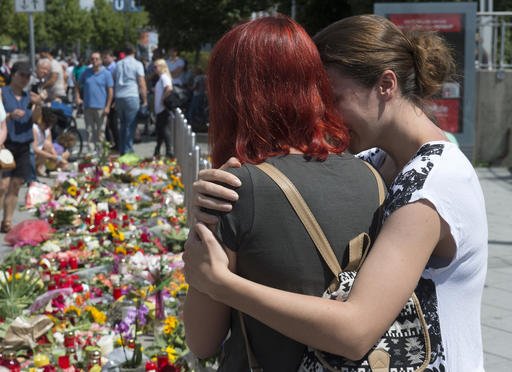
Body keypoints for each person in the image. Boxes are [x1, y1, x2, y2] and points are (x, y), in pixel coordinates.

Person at [184, 14, 488, 371]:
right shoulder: (374, 165)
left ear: (386, 86)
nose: (327, 114)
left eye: (335, 97)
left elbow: (355, 329)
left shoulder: (433, 184)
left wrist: (222, 285)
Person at [183, 15, 384, 371]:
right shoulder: (373, 176)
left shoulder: (233, 191)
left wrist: (198, 232)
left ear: (231, 97)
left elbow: (202, 341)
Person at [0, 61, 43, 233]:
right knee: (3, 185)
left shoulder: (29, 97)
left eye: (27, 76)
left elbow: (36, 120)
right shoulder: (3, 93)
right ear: (14, 74)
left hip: (24, 144)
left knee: (16, 183)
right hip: (6, 144)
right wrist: (10, 115)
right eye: (22, 75)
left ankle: (7, 221)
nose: (25, 79)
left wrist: (38, 104)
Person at [75, 51, 114, 154]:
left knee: (100, 131)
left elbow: (110, 91)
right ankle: (91, 152)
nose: (94, 61)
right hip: (88, 106)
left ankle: (101, 153)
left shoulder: (106, 73)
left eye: (97, 59)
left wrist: (108, 106)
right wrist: (77, 97)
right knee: (89, 131)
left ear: (101, 60)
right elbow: (77, 85)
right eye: (92, 59)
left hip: (101, 107)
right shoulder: (86, 72)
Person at [113, 43, 148, 155]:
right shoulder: (137, 64)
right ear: (134, 52)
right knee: (131, 124)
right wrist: (145, 99)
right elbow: (141, 82)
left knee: (122, 124)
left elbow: (114, 79)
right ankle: (128, 150)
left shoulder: (118, 64)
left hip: (119, 96)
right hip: (131, 95)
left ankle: (122, 149)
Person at [32, 106, 69, 176]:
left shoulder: (47, 130)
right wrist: (53, 157)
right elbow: (35, 149)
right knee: (46, 147)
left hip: (44, 154)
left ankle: (52, 167)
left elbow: (51, 146)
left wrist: (58, 159)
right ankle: (37, 168)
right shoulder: (35, 128)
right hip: (35, 154)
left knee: (65, 153)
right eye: (46, 125)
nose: (47, 127)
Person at [152, 59, 173, 158]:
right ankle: (157, 150)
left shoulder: (164, 77)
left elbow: (169, 88)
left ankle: (169, 151)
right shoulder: (161, 78)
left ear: (161, 67)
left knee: (164, 130)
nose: (154, 69)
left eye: (155, 67)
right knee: (160, 130)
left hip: (163, 108)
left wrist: (162, 99)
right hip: (160, 108)